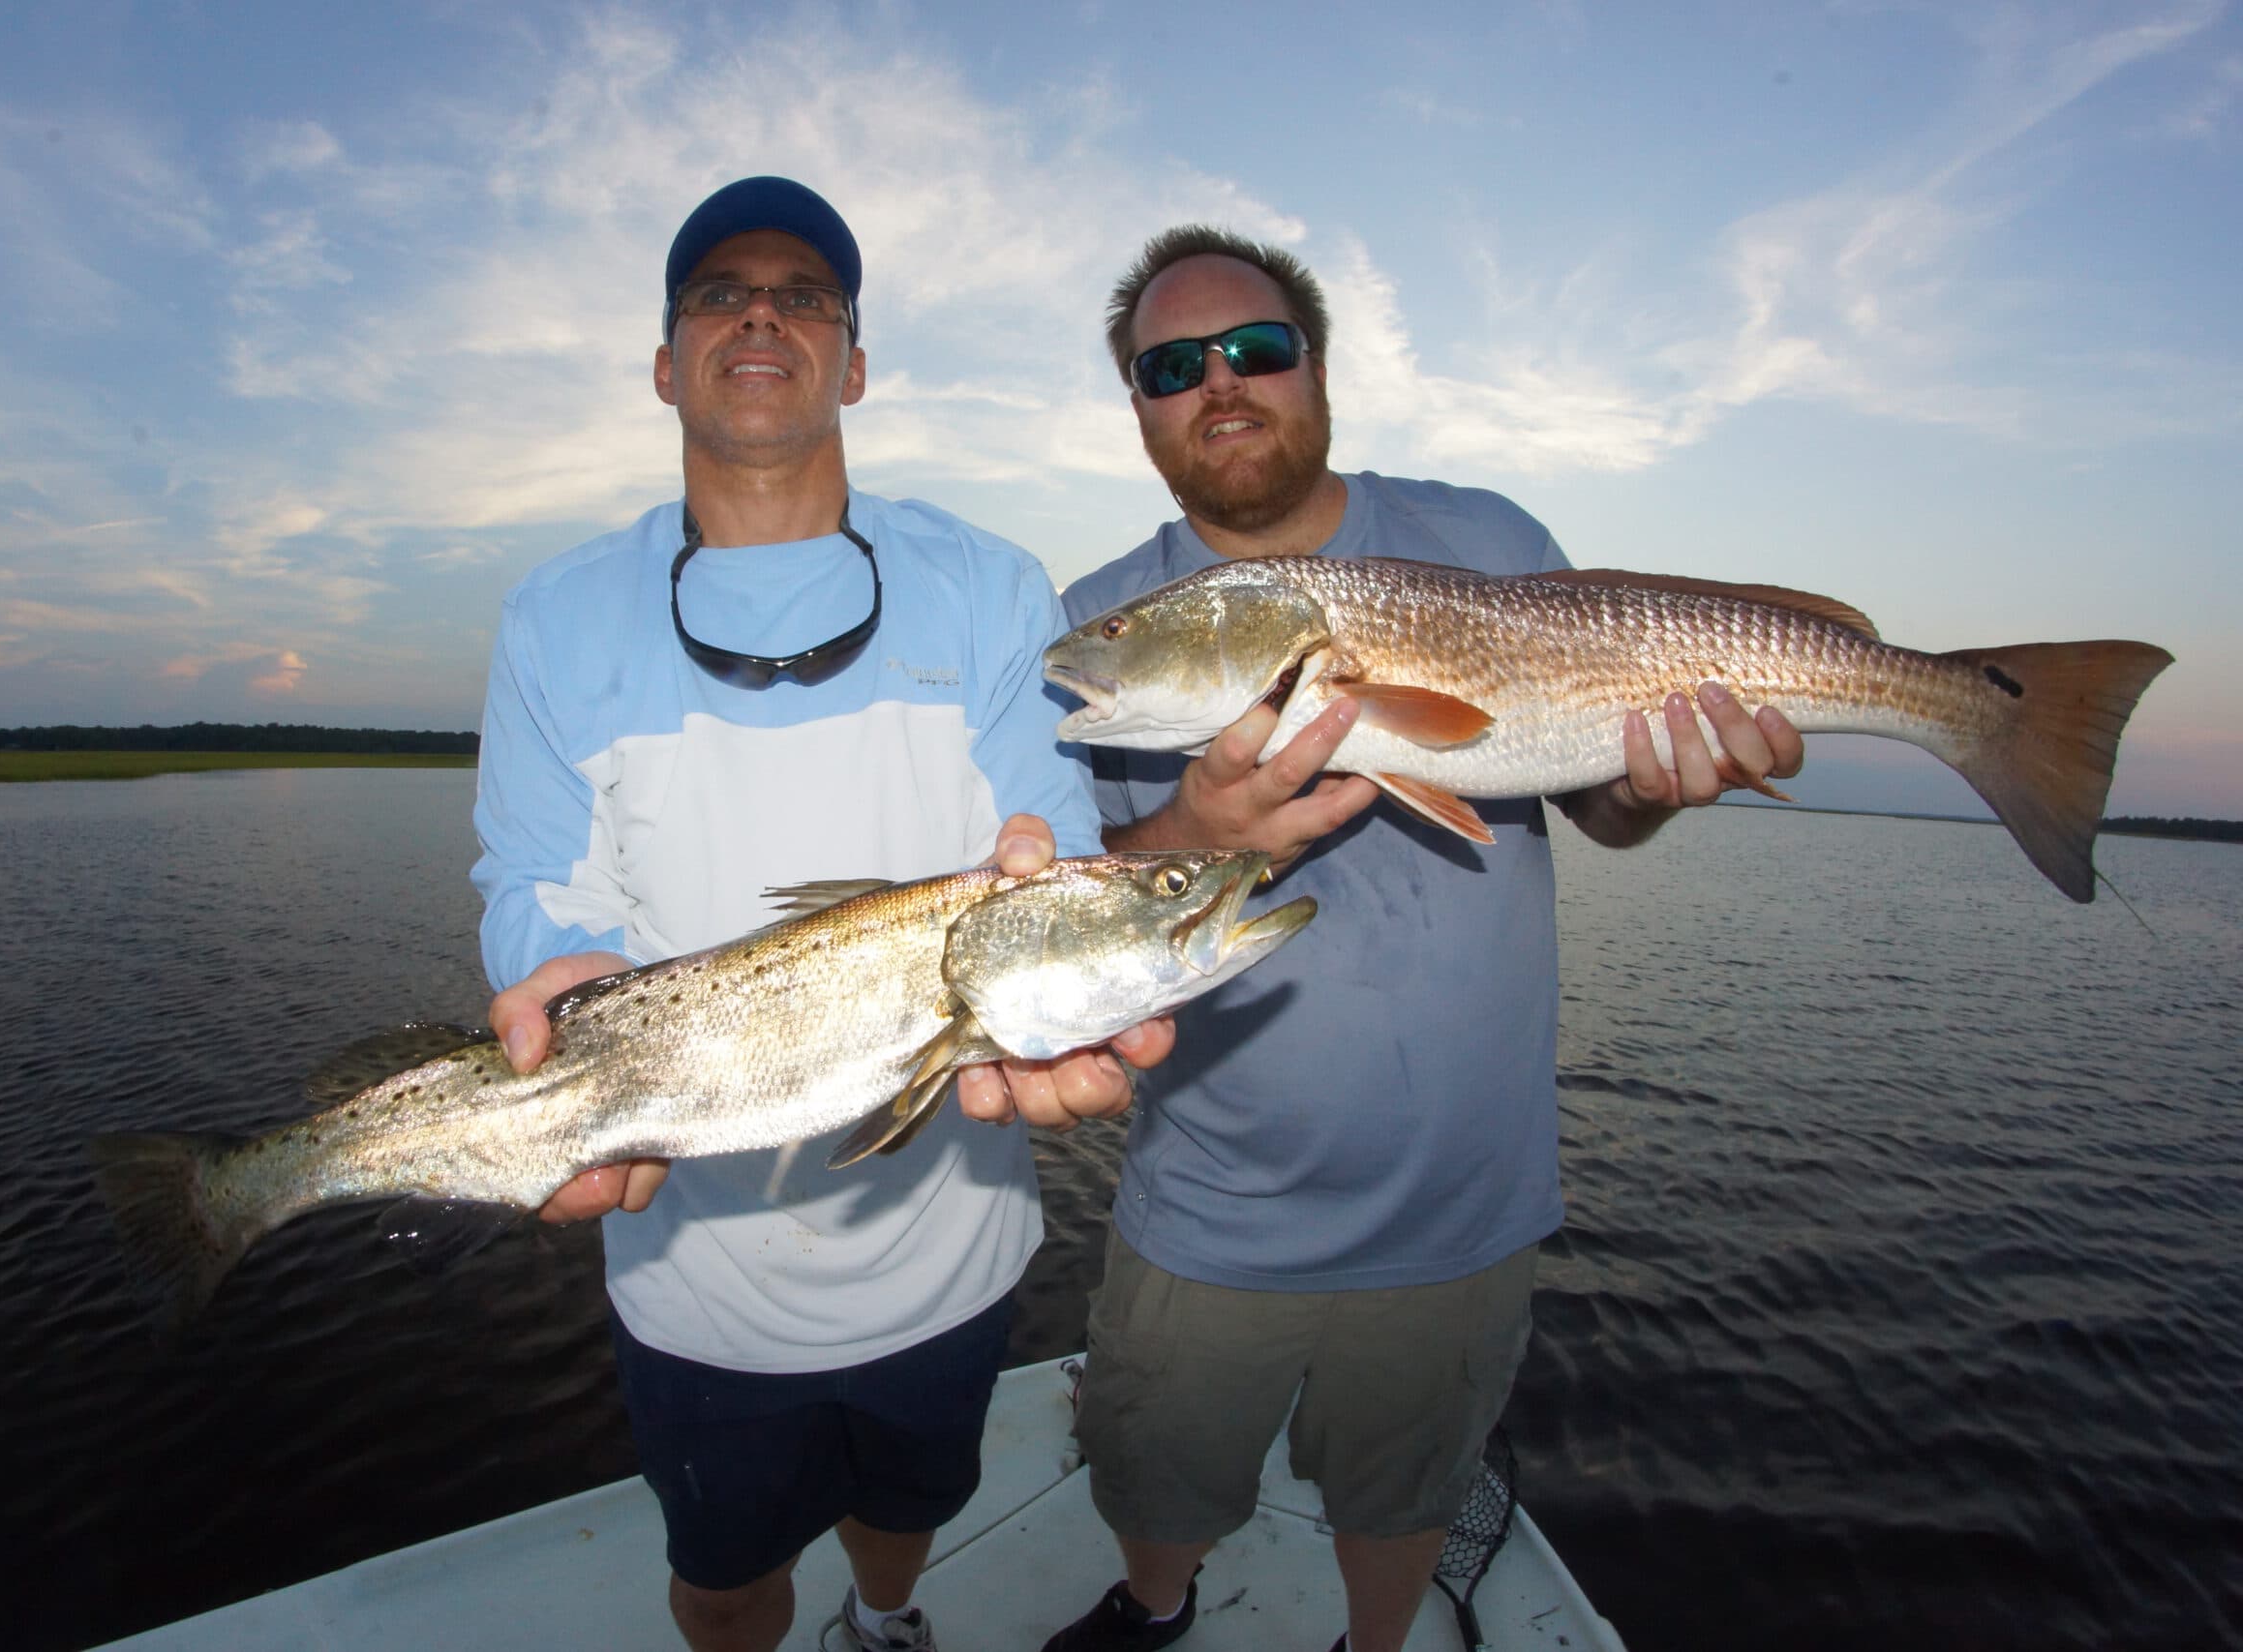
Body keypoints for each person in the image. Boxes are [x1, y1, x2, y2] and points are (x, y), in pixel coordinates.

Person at [1042, 226, 1805, 1652]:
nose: (1221, 382)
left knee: (1400, 1493)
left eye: (1257, 349)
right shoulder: (1099, 629)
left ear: (1317, 369)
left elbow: (1596, 804)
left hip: (1464, 1197)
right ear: (1138, 406)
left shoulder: (1491, 540)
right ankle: (1155, 1608)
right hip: (1210, 1201)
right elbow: (1060, 906)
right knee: (1153, 1465)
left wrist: (1646, 786)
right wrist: (1200, 835)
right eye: (1171, 364)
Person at [470, 176, 1171, 1652]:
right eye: (721, 294)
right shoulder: (552, 617)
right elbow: (536, 885)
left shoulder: (987, 588)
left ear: (853, 365)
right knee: (723, 1575)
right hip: (689, 1273)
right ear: (668, 365)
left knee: (909, 1505)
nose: (763, 313)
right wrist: (553, 989)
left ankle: (886, 1619)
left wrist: (1072, 915)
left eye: (806, 294)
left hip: (955, 1243)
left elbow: (1046, 831)